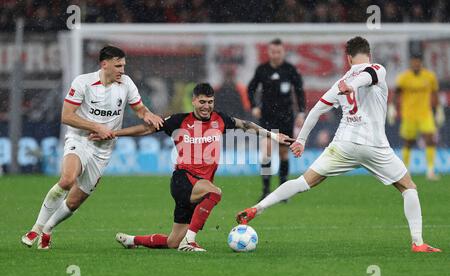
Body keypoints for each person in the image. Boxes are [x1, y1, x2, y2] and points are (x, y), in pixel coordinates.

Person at [236, 37, 441, 253]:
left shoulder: (342, 81)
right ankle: (418, 243)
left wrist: (302, 140)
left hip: (343, 144)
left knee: (303, 182)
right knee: (408, 188)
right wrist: (351, 86)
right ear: (368, 54)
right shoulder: (377, 68)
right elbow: (369, 76)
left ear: (349, 58)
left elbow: (316, 111)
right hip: (374, 146)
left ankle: (257, 208)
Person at [92, 83, 293, 252]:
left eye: (210, 102)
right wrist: (114, 133)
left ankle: (132, 240)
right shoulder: (179, 121)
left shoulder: (220, 119)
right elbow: (146, 129)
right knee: (215, 193)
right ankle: (191, 240)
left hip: (197, 185)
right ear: (194, 101)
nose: (206, 106)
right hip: (183, 179)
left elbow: (246, 125)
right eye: (202, 102)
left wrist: (275, 136)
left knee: (172, 241)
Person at [21, 46, 164, 250]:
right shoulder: (83, 82)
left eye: (123, 65)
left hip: (103, 150)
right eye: (118, 66)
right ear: (104, 64)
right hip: (79, 140)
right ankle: (36, 227)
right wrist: (97, 126)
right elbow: (67, 116)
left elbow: (139, 109)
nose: (122, 70)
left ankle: (48, 229)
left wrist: (147, 114)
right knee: (67, 179)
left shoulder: (126, 83)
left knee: (74, 202)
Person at [248, 38, 306, 201]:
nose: (276, 55)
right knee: (266, 150)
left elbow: (299, 90)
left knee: (283, 153)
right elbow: (251, 88)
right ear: (269, 52)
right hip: (267, 117)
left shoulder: (290, 70)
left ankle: (283, 191)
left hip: (286, 117)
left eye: (278, 52)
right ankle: (266, 189)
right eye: (273, 52)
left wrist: (301, 113)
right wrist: (254, 106)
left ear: (283, 52)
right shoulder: (262, 70)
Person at [388, 54, 441, 180]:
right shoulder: (404, 78)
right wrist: (392, 108)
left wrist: (438, 109)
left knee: (430, 139)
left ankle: (430, 170)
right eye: (414, 62)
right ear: (411, 63)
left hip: (425, 113)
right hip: (409, 115)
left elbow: (434, 93)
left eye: (418, 62)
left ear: (421, 63)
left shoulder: (429, 77)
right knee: (408, 142)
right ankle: (406, 170)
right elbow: (397, 94)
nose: (416, 64)